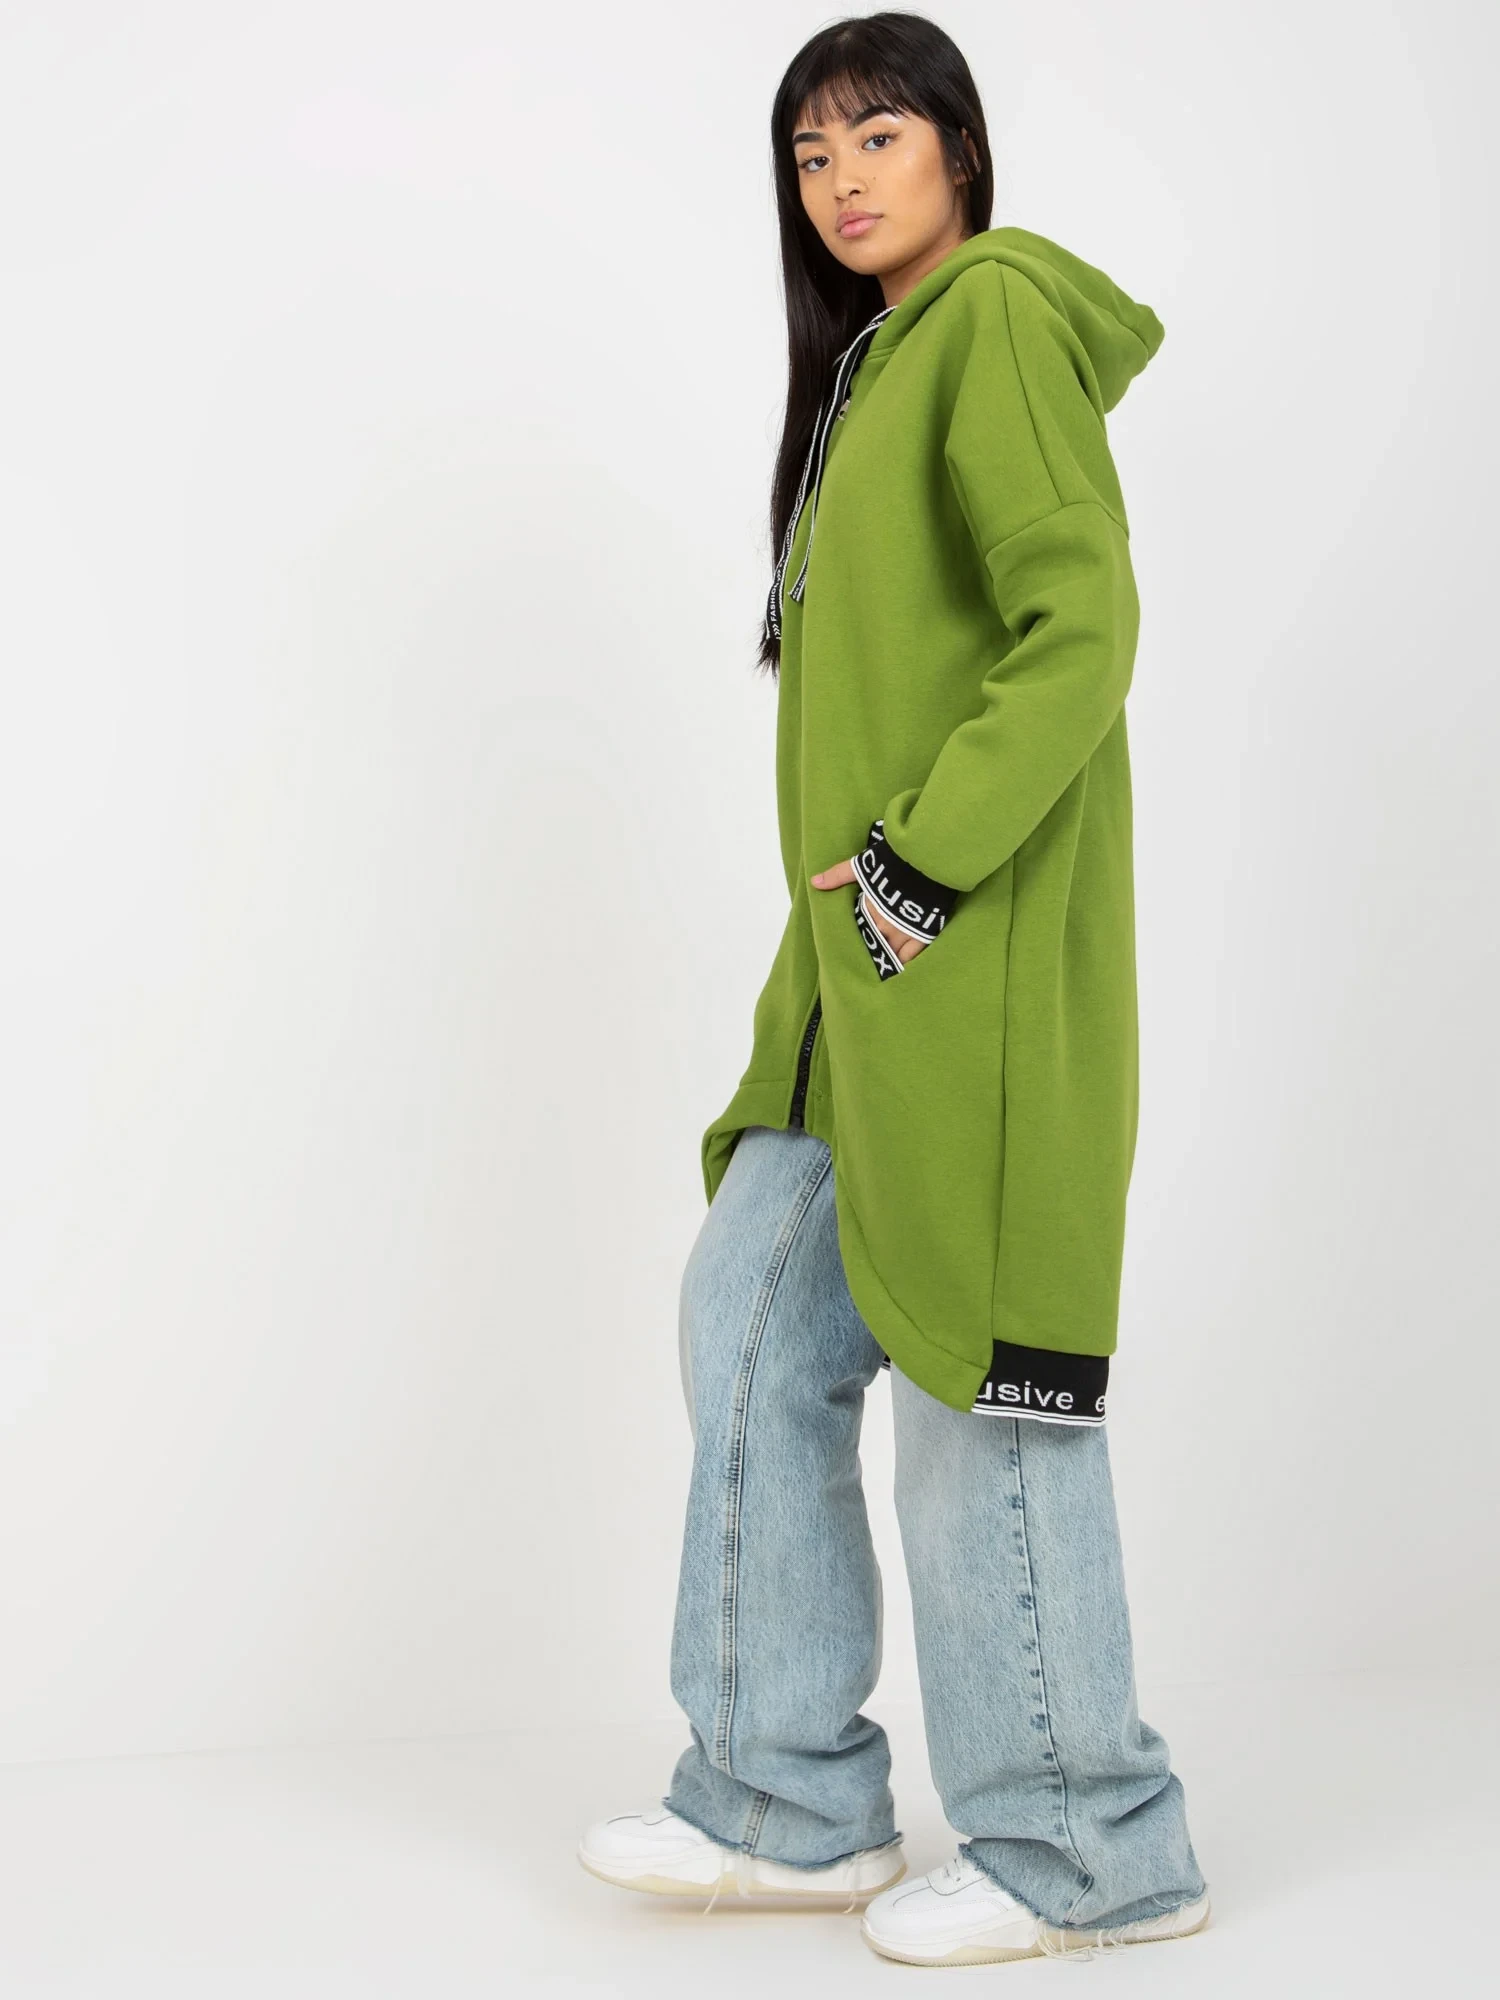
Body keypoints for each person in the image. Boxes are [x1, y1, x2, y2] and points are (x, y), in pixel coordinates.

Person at [577, 11, 1211, 1968]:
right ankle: (784, 1802)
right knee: (752, 1319)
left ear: (959, 147)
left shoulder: (995, 316)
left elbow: (1080, 622)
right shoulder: (874, 365)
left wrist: (923, 872)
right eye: (809, 152)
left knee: (978, 1399)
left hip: (971, 959)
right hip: (856, 983)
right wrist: (861, 927)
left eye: (877, 135)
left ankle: (1090, 1845)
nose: (842, 178)